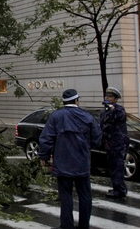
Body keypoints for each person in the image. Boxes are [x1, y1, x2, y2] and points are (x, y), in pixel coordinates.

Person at [38, 89, 102, 229]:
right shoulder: (87, 117)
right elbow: (97, 138)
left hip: (63, 163)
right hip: (82, 162)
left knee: (66, 195)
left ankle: (67, 225)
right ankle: (84, 225)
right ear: (77, 100)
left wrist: (44, 155)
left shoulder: (56, 116)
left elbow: (47, 137)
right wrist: (85, 147)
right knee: (85, 196)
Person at [99, 86, 128, 198]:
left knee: (117, 167)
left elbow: (119, 117)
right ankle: (117, 187)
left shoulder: (119, 109)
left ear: (115, 99)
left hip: (118, 143)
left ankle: (120, 190)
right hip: (109, 143)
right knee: (112, 167)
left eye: (110, 97)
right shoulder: (105, 112)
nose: (107, 98)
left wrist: (112, 108)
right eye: (106, 96)